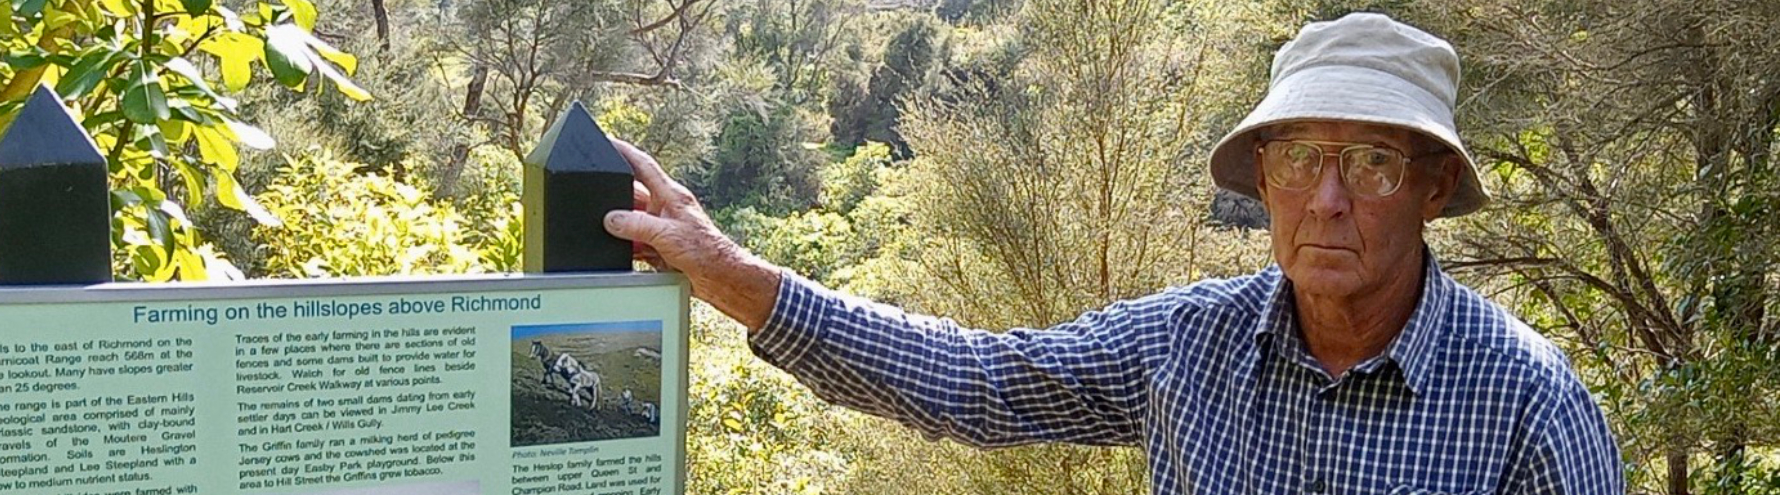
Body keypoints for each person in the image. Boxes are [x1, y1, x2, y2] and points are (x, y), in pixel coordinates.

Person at [600, 12, 1624, 494]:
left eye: (1371, 164)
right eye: (1301, 157)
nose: (1328, 200)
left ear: (1434, 188)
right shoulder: (1190, 347)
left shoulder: (1530, 408)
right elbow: (977, 379)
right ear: (1259, 178)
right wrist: (730, 275)